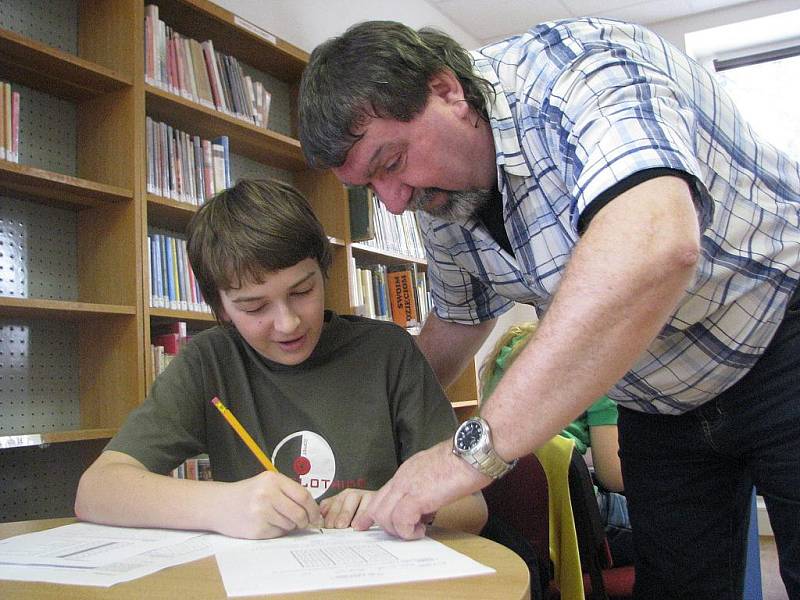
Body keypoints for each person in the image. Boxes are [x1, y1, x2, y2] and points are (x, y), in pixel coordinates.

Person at [298, 18, 800, 599]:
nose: (394, 199)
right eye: (368, 188)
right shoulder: (440, 202)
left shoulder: (579, 70)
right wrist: (365, 441)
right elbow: (456, 323)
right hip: (655, 396)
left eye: (390, 163)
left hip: (780, 329)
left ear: (446, 91)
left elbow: (657, 244)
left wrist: (468, 455)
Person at [74, 179, 487, 540]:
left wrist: (390, 504)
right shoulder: (210, 362)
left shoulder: (387, 353)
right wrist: (222, 506)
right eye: (254, 308)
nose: (287, 323)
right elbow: (97, 490)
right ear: (221, 310)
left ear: (324, 272)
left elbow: (471, 508)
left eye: (302, 291)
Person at [481, 322, 633, 567]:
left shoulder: (512, 346)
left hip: (519, 523)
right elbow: (613, 476)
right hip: (576, 521)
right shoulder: (598, 360)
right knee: (680, 521)